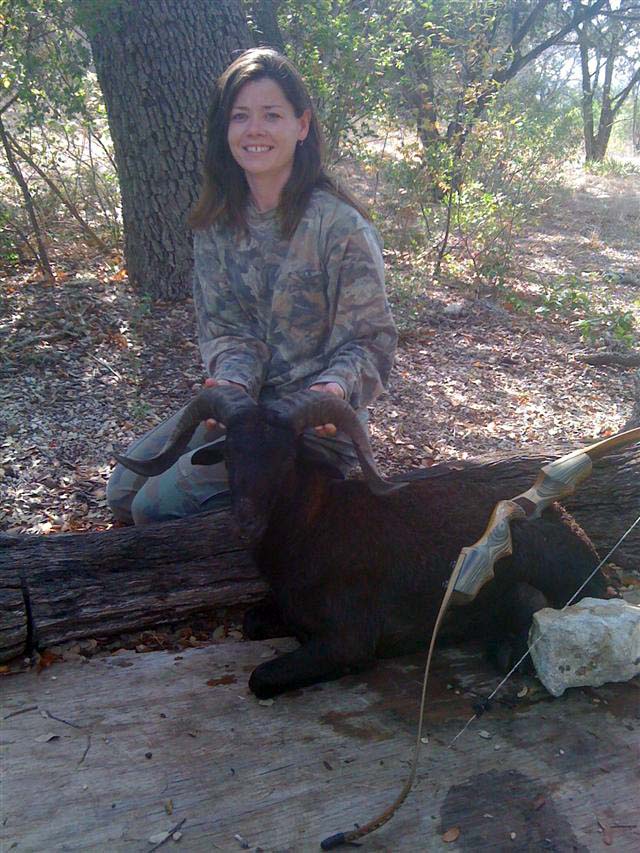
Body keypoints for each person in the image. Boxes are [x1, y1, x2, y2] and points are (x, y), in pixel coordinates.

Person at [107, 48, 397, 525]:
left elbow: (370, 343)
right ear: (225, 130)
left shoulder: (341, 227)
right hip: (245, 414)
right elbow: (228, 332)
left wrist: (333, 387)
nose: (254, 129)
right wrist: (232, 382)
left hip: (312, 426)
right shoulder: (216, 224)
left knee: (151, 510)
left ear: (301, 126)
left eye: (271, 115)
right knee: (121, 490)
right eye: (240, 116)